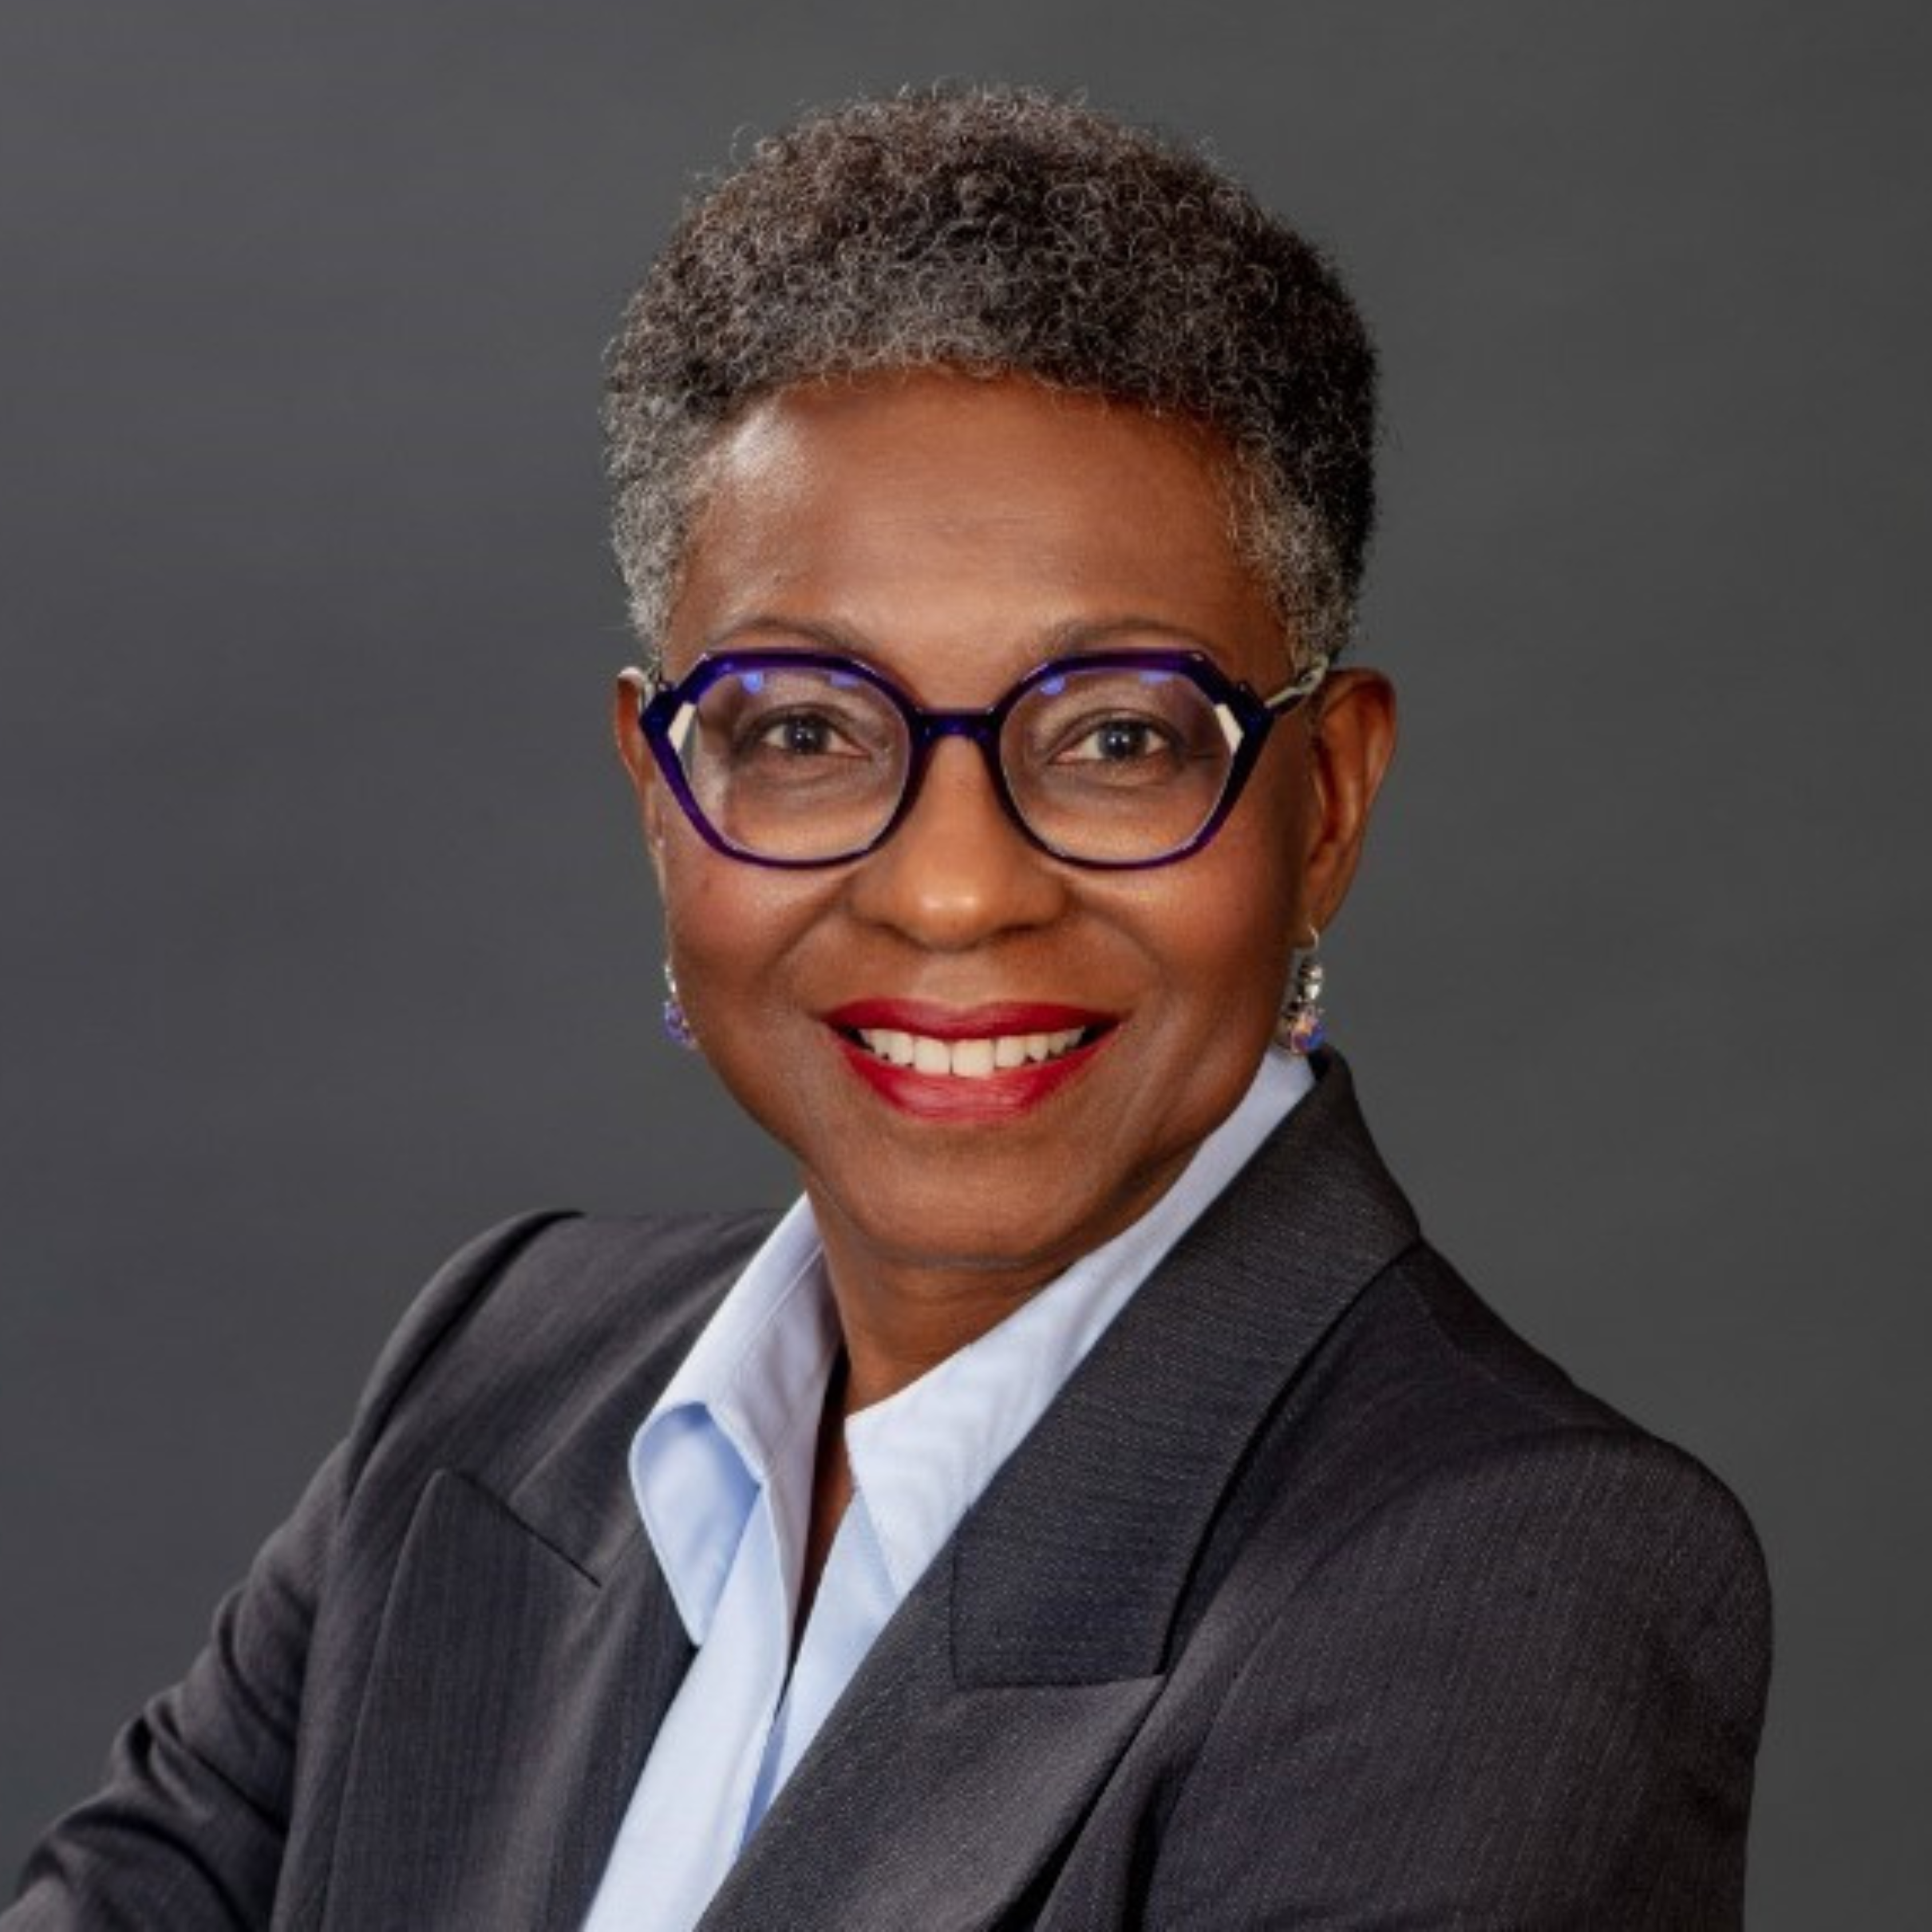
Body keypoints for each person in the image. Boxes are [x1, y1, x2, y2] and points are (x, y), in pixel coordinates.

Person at [5, 85, 1770, 1930]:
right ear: (661, 794)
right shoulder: (498, 1379)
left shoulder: (1500, 1575)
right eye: (801, 728)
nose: (950, 887)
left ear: (1321, 801)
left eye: (1116, 737)